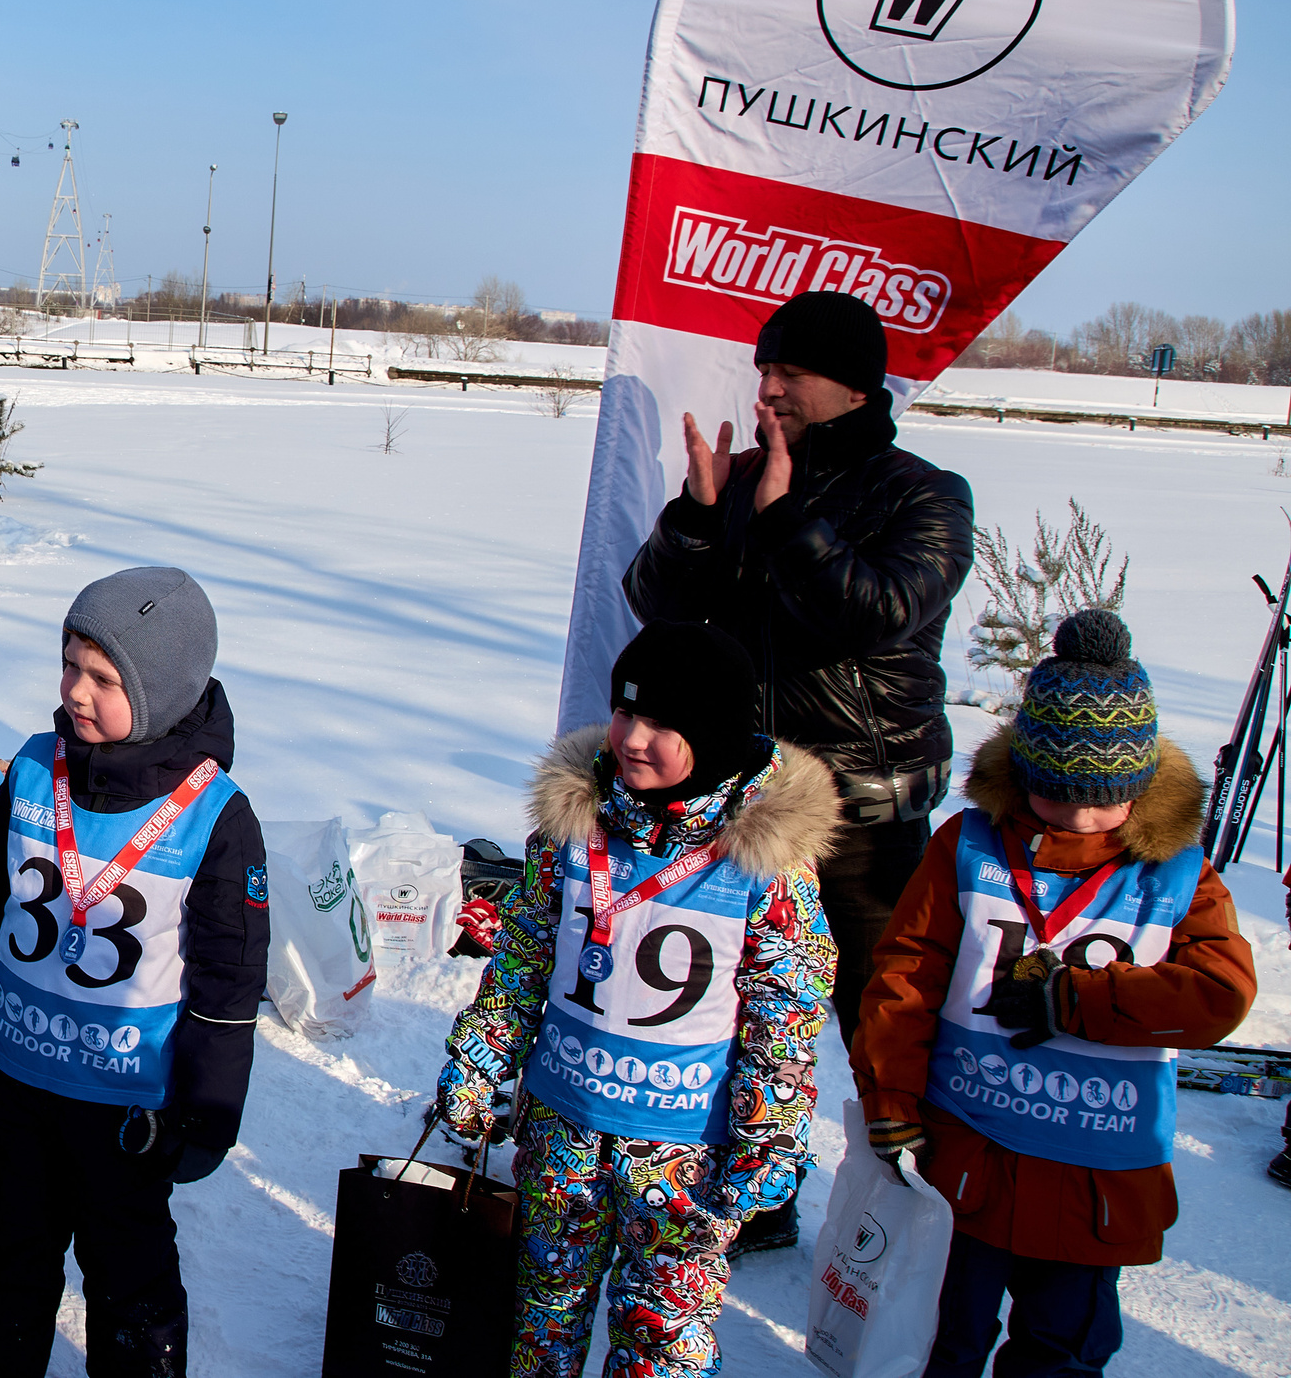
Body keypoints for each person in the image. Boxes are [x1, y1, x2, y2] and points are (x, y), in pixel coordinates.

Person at [622, 289, 974, 1249]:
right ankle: (755, 1194)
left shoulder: (924, 493)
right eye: (763, 369)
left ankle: (910, 1217)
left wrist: (780, 523)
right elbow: (658, 608)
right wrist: (698, 516)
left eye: (790, 373)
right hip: (749, 807)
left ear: (854, 388)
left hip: (861, 817)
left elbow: (875, 611)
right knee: (733, 1016)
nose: (766, 387)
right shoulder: (741, 482)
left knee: (882, 1024)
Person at [430, 620, 840, 1378]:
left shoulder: (763, 864)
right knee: (536, 1321)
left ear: (713, 736)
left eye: (662, 722)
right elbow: (522, 959)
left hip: (684, 1159)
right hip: (564, 1135)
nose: (632, 736)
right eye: (625, 711)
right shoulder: (577, 829)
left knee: (663, 1342)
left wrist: (771, 1133)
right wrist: (479, 1062)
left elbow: (784, 1012)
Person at [853, 611, 1255, 1378]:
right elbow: (903, 979)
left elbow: (1221, 993)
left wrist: (1075, 1000)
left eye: (1102, 800)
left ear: (1138, 787)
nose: (1077, 818)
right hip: (967, 1153)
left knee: (1062, 1353)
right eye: (1056, 794)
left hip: (1093, 1174)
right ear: (1025, 775)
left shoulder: (1175, 871)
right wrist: (891, 1101)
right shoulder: (966, 845)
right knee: (938, 1342)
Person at [0, 566, 268, 1378]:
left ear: (163, 692)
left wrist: (208, 1108)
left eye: (103, 677)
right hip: (18, 1080)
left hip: (126, 1103)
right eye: (70, 663)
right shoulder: (35, 769)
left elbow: (227, 985)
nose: (76, 689)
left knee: (129, 1283)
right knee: (7, 1260)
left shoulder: (216, 814)